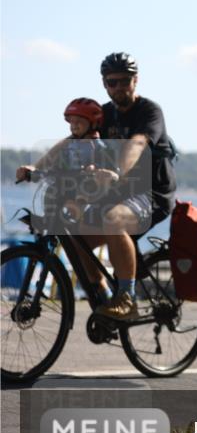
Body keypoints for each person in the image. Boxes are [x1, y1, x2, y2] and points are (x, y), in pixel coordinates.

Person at [87, 52, 177, 318]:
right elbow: (79, 143)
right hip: (119, 193)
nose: (119, 87)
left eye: (124, 81)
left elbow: (137, 144)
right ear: (104, 84)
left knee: (113, 219)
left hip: (152, 193)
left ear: (135, 81)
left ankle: (128, 299)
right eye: (112, 82)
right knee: (75, 233)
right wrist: (42, 169)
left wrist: (117, 169)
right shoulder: (103, 114)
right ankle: (102, 297)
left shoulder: (149, 111)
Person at [16, 97, 117, 232]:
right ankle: (48, 220)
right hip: (70, 182)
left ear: (93, 124)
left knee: (85, 187)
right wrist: (33, 169)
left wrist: (95, 168)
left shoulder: (97, 145)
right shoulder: (69, 142)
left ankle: (77, 213)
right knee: (52, 190)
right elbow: (49, 157)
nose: (74, 125)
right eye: (71, 122)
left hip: (91, 185)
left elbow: (105, 164)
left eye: (79, 122)